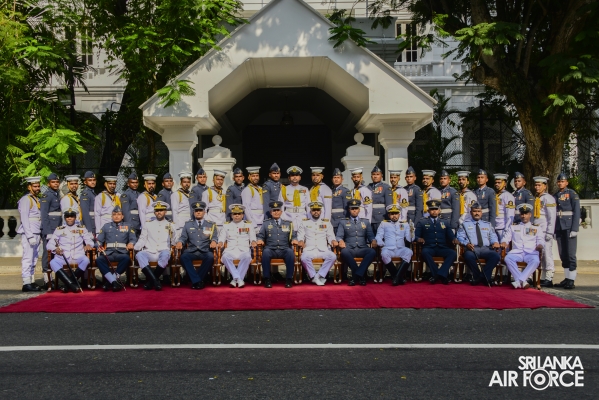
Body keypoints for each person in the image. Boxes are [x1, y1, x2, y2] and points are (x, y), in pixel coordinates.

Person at [47, 208, 95, 293]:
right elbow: (49, 245)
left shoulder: (81, 229)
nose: (69, 218)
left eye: (72, 216)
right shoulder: (59, 229)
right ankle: (72, 284)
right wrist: (55, 249)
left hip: (77, 256)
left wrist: (88, 245)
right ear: (65, 218)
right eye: (67, 217)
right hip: (63, 256)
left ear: (75, 217)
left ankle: (68, 284)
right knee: (53, 262)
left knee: (86, 260)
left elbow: (90, 241)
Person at [415, 200, 459, 284]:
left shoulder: (445, 222)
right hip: (429, 247)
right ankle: (441, 275)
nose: (434, 211)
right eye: (432, 209)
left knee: (453, 253)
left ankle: (438, 275)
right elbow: (416, 236)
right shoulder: (422, 222)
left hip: (442, 247)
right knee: (424, 252)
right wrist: (418, 239)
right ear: (428, 211)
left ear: (439, 210)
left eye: (436, 209)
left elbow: (451, 235)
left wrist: (454, 239)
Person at [175, 201, 218, 290]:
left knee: (210, 257)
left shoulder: (211, 224)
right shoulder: (188, 224)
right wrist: (180, 242)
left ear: (204, 212)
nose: (198, 212)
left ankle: (195, 281)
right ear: (193, 212)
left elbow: (214, 237)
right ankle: (198, 281)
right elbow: (183, 237)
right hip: (192, 250)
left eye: (200, 210)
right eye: (196, 211)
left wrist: (214, 241)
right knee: (183, 257)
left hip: (205, 250)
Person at [456, 203, 501, 286]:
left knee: (496, 256)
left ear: (481, 212)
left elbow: (493, 236)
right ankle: (484, 277)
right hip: (472, 249)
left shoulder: (487, 224)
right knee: (468, 256)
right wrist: (466, 244)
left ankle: (479, 277)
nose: (477, 213)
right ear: (471, 212)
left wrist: (495, 242)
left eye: (478, 211)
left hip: (486, 249)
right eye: (474, 211)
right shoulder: (465, 224)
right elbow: (459, 237)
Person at [501, 203, 544, 289]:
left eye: (526, 214)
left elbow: (541, 240)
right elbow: (506, 238)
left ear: (530, 215)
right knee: (508, 258)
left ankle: (518, 281)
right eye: (522, 214)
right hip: (517, 252)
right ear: (520, 215)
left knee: (536, 261)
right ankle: (523, 281)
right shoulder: (513, 227)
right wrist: (504, 242)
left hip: (531, 252)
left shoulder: (536, 228)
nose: (524, 216)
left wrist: (540, 245)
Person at [134, 201, 175, 290]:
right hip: (150, 251)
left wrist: (174, 236)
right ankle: (156, 281)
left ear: (165, 212)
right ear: (154, 212)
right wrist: (136, 247)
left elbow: (174, 241)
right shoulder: (148, 224)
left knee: (166, 255)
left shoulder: (170, 224)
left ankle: (151, 282)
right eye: (157, 210)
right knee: (139, 255)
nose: (159, 212)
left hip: (163, 251)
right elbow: (142, 238)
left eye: (161, 210)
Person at [256, 201, 297, 288]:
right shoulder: (266, 223)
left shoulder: (288, 223)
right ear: (271, 212)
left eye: (278, 210)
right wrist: (260, 240)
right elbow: (261, 235)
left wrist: (294, 240)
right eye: (274, 210)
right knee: (265, 252)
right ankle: (267, 278)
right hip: (271, 249)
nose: (276, 212)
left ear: (281, 212)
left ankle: (289, 279)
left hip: (284, 249)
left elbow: (293, 236)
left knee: (290, 252)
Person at [336, 199, 377, 286]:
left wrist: (373, 240)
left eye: (356, 208)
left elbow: (370, 235)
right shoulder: (343, 222)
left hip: (362, 248)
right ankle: (361, 276)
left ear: (359, 209)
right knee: (344, 252)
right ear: (349, 210)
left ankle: (355, 276)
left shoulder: (365, 222)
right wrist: (340, 240)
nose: (354, 210)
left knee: (372, 252)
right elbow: (339, 236)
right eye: (352, 208)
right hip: (350, 248)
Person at [95, 206, 136, 291]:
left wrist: (131, 243)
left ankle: (110, 281)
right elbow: (99, 241)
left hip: (122, 253)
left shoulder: (128, 226)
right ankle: (114, 282)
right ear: (111, 216)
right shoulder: (106, 226)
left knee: (126, 258)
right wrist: (99, 246)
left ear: (122, 216)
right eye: (114, 214)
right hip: (109, 252)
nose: (116, 216)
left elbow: (133, 239)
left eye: (119, 214)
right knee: (99, 259)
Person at [297, 202, 338, 285]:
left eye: (318, 210)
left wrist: (333, 241)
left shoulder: (326, 223)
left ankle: (317, 276)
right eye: (314, 210)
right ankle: (314, 276)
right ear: (310, 211)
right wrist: (300, 241)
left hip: (323, 249)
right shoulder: (304, 223)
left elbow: (331, 236)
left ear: (321, 211)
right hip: (309, 249)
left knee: (333, 256)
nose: (316, 212)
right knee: (304, 258)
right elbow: (300, 235)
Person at [217, 204, 257, 288]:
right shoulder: (226, 225)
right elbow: (222, 237)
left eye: (239, 214)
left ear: (243, 215)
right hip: (231, 250)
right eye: (235, 214)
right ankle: (239, 279)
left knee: (247, 257)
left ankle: (235, 279)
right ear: (231, 215)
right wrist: (220, 242)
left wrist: (253, 241)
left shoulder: (248, 225)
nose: (237, 216)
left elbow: (252, 236)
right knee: (225, 257)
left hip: (244, 250)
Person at [553, 173, 581, 290]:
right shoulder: (555, 195)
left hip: (569, 226)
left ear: (567, 183)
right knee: (563, 254)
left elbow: (577, 212)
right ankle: (567, 277)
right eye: (559, 181)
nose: (560, 183)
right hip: (559, 227)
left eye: (563, 181)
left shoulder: (572, 194)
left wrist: (575, 228)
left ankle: (571, 279)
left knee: (570, 254)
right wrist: (554, 230)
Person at [375, 204, 413, 286]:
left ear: (399, 214)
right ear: (389, 215)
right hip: (389, 248)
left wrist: (412, 232)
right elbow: (379, 236)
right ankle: (399, 278)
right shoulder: (384, 224)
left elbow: (409, 239)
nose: (394, 216)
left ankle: (396, 278)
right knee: (384, 254)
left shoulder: (405, 224)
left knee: (409, 252)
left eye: (396, 214)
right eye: (392, 214)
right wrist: (380, 243)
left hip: (400, 248)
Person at [17, 176, 43, 292]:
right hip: (30, 233)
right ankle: (26, 282)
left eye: (38, 186)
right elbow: (24, 218)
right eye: (35, 186)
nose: (37, 188)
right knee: (28, 258)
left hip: (36, 232)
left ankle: (31, 280)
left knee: (34, 258)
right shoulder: (26, 200)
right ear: (29, 187)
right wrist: (30, 235)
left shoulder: (35, 199)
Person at [532, 176, 557, 287]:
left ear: (545, 186)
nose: (537, 187)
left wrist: (550, 232)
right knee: (539, 254)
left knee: (547, 254)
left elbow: (552, 217)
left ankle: (549, 276)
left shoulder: (548, 198)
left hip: (545, 230)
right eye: (536, 185)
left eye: (539, 185)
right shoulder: (536, 198)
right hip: (537, 230)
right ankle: (542, 277)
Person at [40, 172, 62, 289]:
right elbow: (44, 215)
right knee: (47, 254)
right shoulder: (46, 196)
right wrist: (48, 232)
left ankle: (56, 278)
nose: (56, 184)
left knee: (56, 254)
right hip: (50, 230)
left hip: (57, 229)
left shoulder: (57, 194)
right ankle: (47, 279)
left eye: (57, 182)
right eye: (53, 182)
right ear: (48, 184)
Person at [279, 166, 310, 232]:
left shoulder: (305, 189)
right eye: (292, 175)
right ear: (289, 178)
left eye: (297, 175)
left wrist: (309, 218)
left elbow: (308, 206)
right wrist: (283, 219)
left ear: (300, 177)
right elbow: (281, 206)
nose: (295, 177)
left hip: (302, 217)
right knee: (288, 235)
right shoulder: (284, 189)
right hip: (288, 217)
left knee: (303, 236)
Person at [368, 166, 392, 234]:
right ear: (371, 176)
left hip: (381, 217)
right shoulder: (368, 187)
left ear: (381, 176)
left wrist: (388, 219)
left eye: (377, 174)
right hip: (370, 216)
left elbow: (389, 205)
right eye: (373, 174)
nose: (375, 176)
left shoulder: (386, 187)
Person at [241, 166, 265, 233]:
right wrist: (253, 224)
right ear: (249, 177)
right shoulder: (247, 190)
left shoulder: (260, 189)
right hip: (253, 221)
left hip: (261, 220)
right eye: (253, 176)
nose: (255, 178)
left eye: (257, 176)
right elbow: (246, 208)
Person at [493, 173, 515, 242]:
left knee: (503, 246)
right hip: (494, 226)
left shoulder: (508, 196)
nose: (497, 184)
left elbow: (510, 214)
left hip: (503, 227)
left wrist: (507, 229)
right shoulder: (494, 195)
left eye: (499, 183)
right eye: (496, 182)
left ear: (504, 184)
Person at [171, 171, 193, 237]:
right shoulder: (176, 194)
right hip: (180, 224)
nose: (187, 184)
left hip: (190, 222)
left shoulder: (191, 194)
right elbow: (174, 211)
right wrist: (176, 226)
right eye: (184, 182)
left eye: (188, 182)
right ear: (181, 183)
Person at [330, 168, 350, 234]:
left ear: (342, 179)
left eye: (338, 177)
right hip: (332, 220)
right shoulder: (331, 191)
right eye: (334, 177)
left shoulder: (345, 191)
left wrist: (346, 221)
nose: (336, 179)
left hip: (341, 219)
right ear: (332, 179)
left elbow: (347, 207)